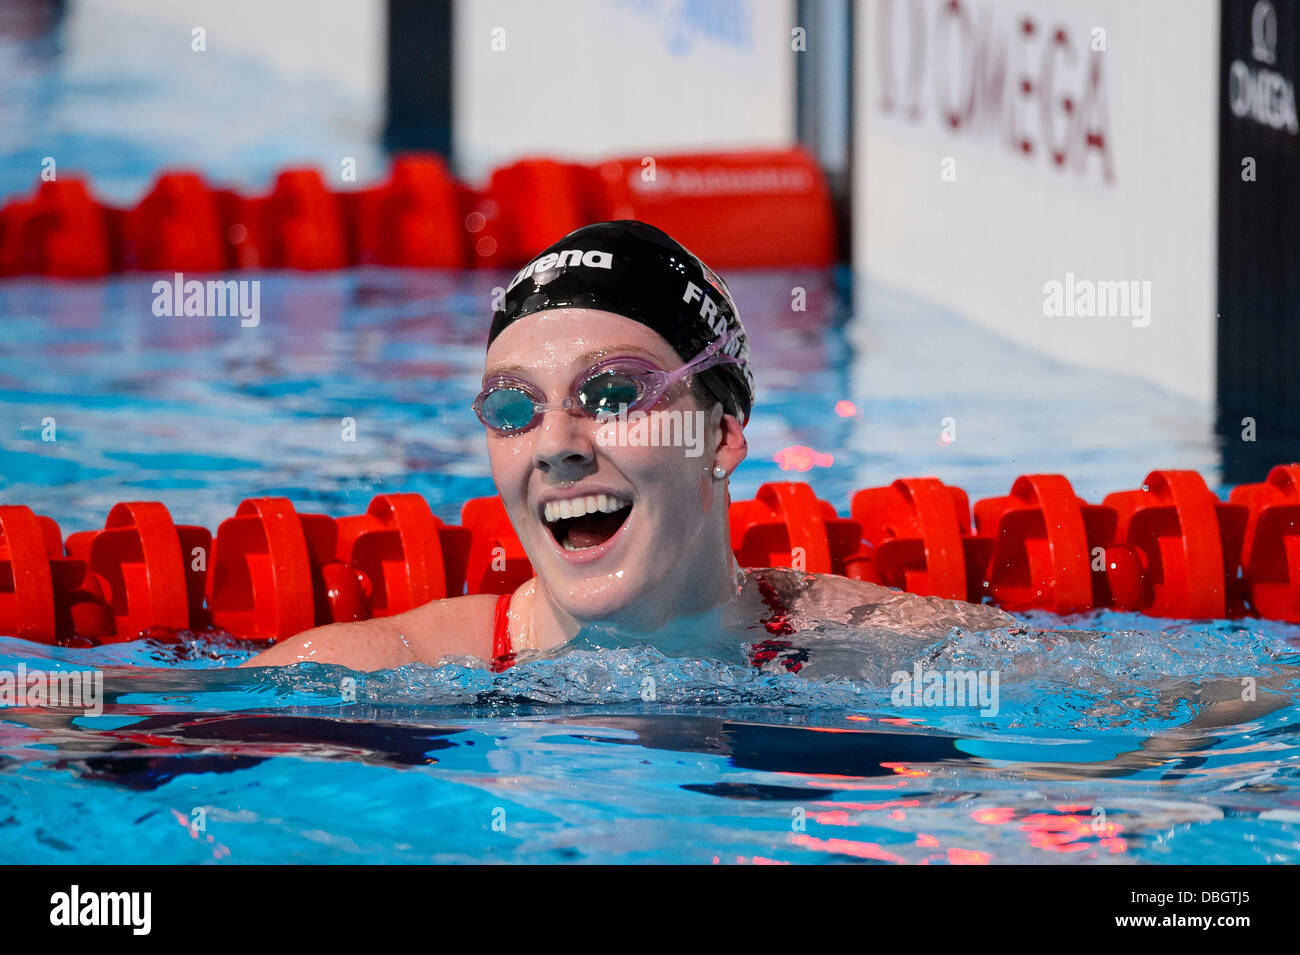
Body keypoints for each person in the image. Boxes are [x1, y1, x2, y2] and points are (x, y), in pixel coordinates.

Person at [243, 220, 1015, 673]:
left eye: (613, 394)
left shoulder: (896, 654)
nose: (555, 445)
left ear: (721, 434)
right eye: (514, 405)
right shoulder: (386, 671)